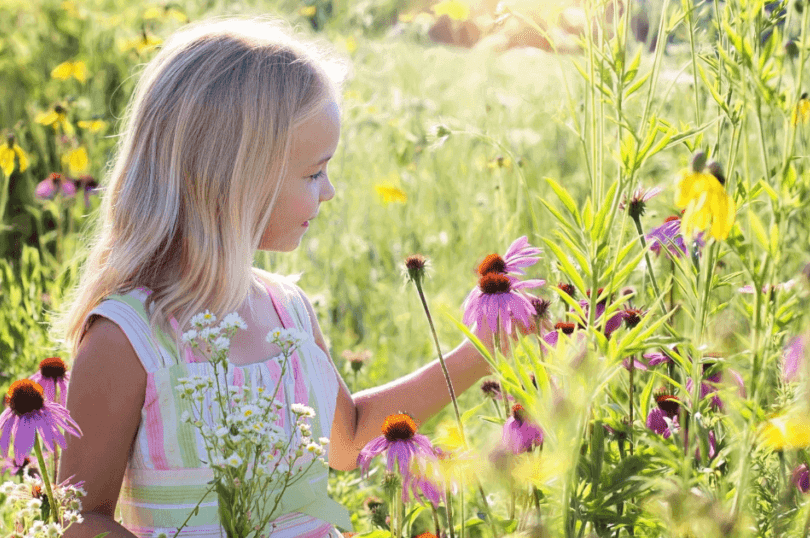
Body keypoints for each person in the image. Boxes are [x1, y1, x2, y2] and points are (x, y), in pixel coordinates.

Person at [55, 17, 492, 538]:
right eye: (313, 173)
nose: (328, 190)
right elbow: (81, 517)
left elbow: (348, 441)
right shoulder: (129, 337)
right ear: (234, 177)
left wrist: (480, 350)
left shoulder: (289, 310)